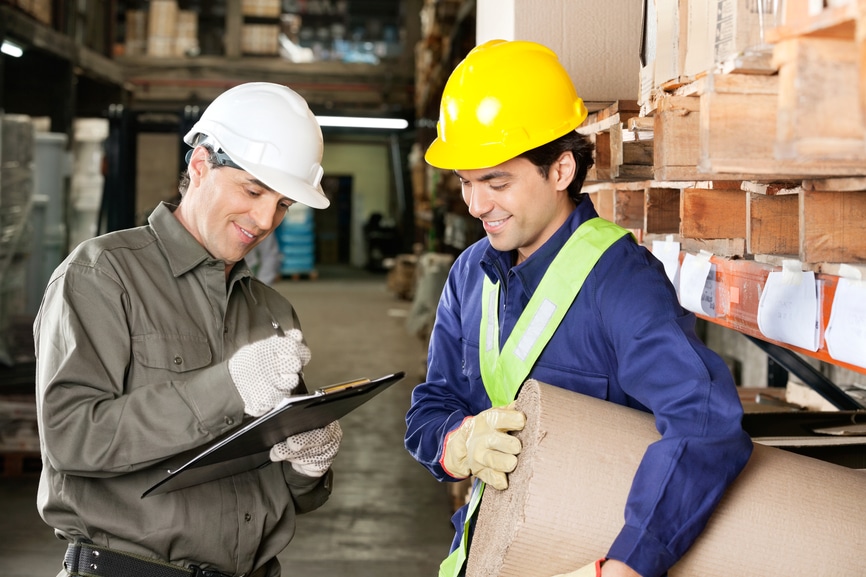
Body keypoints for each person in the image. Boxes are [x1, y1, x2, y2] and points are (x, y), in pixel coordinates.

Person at [404, 40, 753, 577]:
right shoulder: (470, 274)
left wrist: (630, 563)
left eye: (496, 182)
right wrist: (457, 443)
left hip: (585, 559)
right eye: (466, 183)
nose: (476, 206)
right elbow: (431, 405)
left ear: (561, 169)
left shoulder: (621, 283)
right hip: (487, 554)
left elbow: (705, 423)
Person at [34, 82, 342, 577]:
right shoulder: (102, 276)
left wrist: (308, 464)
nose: (265, 219)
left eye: (283, 203)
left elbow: (283, 492)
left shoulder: (271, 310)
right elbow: (71, 438)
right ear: (200, 165)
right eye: (252, 189)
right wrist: (229, 386)